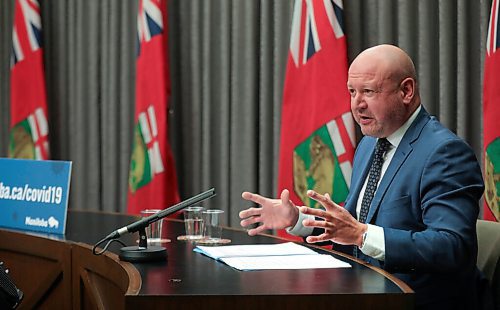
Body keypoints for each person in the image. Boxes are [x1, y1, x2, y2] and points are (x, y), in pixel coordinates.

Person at [239, 44, 490, 309]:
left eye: (368, 92)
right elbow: (351, 226)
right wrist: (298, 219)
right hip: (365, 294)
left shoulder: (444, 152)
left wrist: (362, 234)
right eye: (352, 92)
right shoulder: (371, 144)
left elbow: (452, 247)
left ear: (406, 91)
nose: (357, 105)